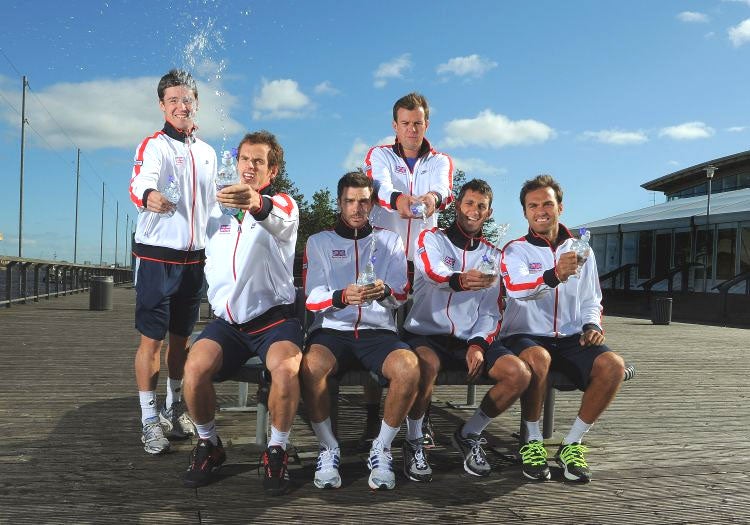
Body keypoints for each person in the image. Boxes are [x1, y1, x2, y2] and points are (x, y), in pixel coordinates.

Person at [128, 69, 252, 455]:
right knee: (152, 341)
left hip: (194, 259)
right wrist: (149, 195)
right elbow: (139, 182)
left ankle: (173, 405)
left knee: (181, 342)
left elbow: (215, 209)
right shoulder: (154, 146)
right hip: (155, 256)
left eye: (188, 99)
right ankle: (149, 418)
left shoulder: (209, 152)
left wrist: (235, 218)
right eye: (174, 100)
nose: (182, 106)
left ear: (196, 103)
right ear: (162, 105)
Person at [181, 131, 302, 496]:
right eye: (245, 159)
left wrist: (254, 201)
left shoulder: (283, 206)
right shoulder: (216, 213)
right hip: (228, 323)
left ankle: (277, 449)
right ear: (237, 163)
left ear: (272, 170)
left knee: (286, 368)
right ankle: (209, 444)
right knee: (193, 369)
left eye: (259, 161)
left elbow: (271, 213)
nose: (249, 166)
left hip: (274, 321)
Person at [499, 174, 626, 482]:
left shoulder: (583, 250)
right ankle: (531, 440)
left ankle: (572, 444)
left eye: (547, 203)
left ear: (560, 207)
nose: (541, 210)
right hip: (524, 334)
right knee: (539, 358)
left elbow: (592, 299)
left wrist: (591, 324)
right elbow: (517, 289)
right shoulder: (515, 250)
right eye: (533, 206)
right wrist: (553, 274)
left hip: (570, 336)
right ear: (525, 212)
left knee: (613, 366)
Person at [403, 179, 530, 477]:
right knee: (425, 367)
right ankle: (414, 439)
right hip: (425, 333)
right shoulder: (430, 238)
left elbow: (491, 310)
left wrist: (477, 344)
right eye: (469, 203)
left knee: (518, 374)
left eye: (481, 206)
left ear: (489, 212)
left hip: (467, 340)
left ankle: (469, 433)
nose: (474, 211)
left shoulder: (494, 256)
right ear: (458, 205)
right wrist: (460, 279)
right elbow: (435, 273)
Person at [301, 170, 419, 490]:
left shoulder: (390, 240)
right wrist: (340, 296)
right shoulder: (319, 241)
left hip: (377, 332)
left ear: (372, 204)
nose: (357, 208)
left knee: (409, 368)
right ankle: (329, 447)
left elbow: (402, 294)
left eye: (364, 201)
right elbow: (311, 298)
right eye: (350, 201)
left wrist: (384, 292)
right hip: (332, 332)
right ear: (340, 202)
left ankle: (380, 448)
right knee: (310, 368)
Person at [362, 92, 454, 446]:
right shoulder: (380, 154)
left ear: (426, 124)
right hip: (385, 258)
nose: (412, 129)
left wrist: (431, 200)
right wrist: (399, 200)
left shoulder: (441, 159)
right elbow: (378, 186)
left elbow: (443, 191)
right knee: (376, 333)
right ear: (395, 126)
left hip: (426, 264)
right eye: (405, 123)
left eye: (418, 123)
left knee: (421, 345)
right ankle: (374, 413)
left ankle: (421, 417)